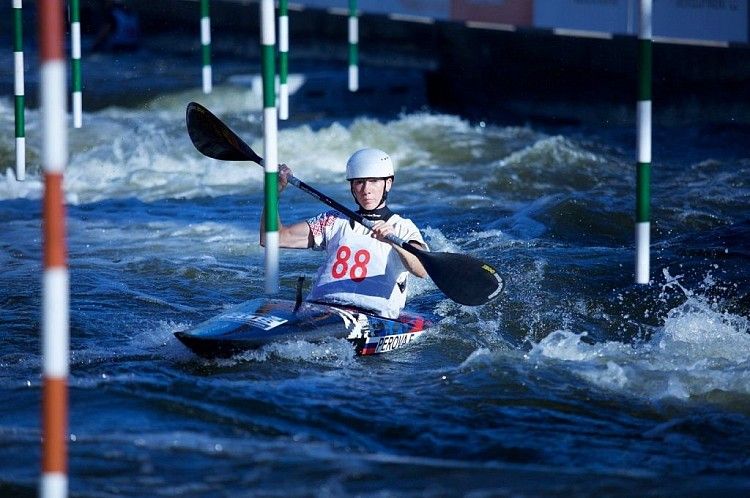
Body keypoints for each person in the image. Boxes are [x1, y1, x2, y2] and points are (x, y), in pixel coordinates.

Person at [260, 148, 428, 319]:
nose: (366, 189)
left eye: (374, 181)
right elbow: (272, 238)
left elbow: (422, 270)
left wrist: (394, 243)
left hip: (372, 315)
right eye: (359, 182)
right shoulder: (332, 220)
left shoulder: (403, 228)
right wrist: (273, 192)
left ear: (388, 183)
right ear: (352, 186)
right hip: (321, 310)